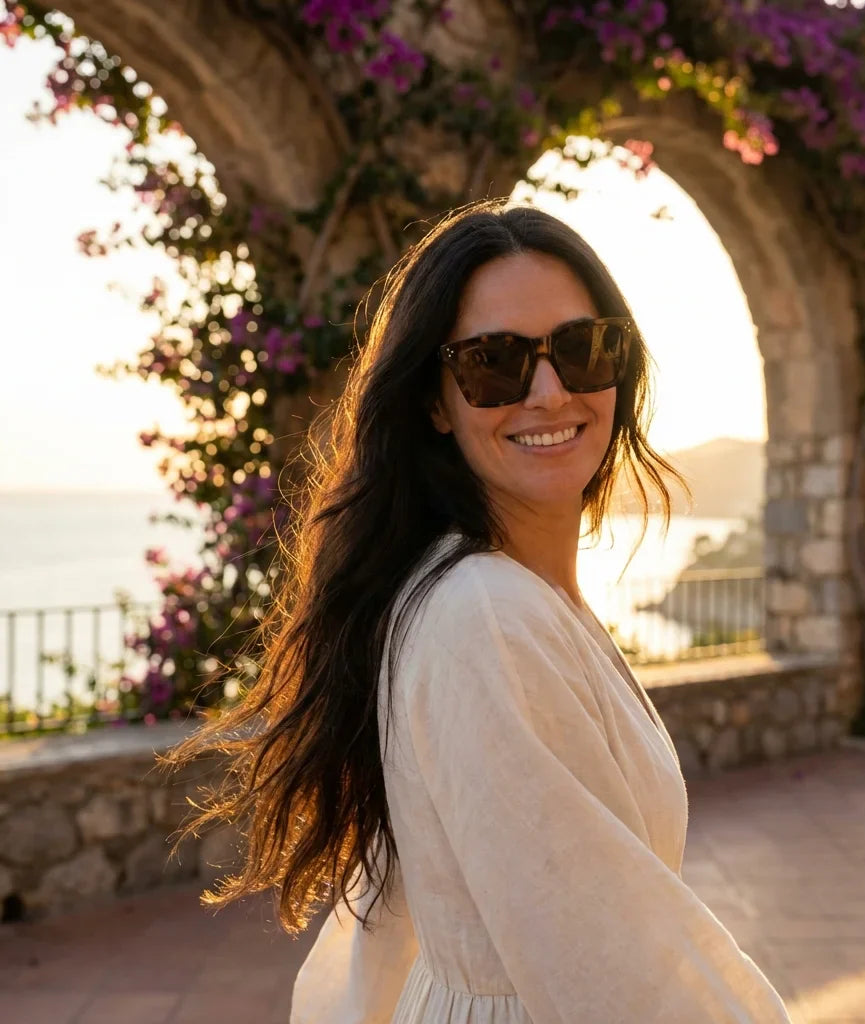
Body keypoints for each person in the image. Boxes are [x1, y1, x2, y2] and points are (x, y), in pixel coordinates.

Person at [172, 200, 793, 1023]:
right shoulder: (485, 616)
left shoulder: (509, 595)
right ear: (435, 400)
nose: (548, 390)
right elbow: (615, 969)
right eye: (494, 362)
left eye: (583, 348)